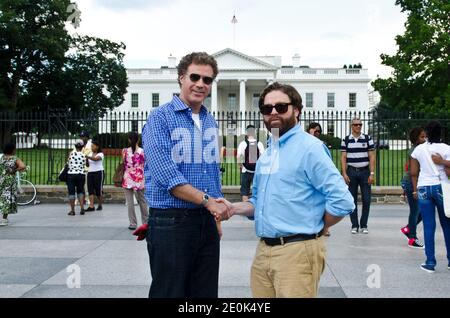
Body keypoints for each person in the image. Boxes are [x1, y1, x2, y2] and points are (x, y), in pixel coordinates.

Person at [215, 82, 355, 298]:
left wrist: (315, 225)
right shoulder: (269, 153)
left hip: (297, 251)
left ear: (297, 110)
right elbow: (257, 202)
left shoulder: (310, 148)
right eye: (266, 108)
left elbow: (343, 201)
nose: (273, 113)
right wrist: (233, 208)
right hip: (264, 251)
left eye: (281, 107)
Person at [141, 52, 227, 298]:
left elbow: (212, 174)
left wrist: (215, 217)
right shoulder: (160, 117)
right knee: (170, 293)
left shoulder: (210, 121)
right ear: (181, 78)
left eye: (207, 80)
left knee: (205, 294)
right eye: (195, 77)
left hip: (206, 220)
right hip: (171, 221)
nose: (201, 84)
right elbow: (165, 174)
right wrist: (208, 202)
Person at [410, 121, 450, 273]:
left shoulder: (419, 150)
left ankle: (430, 262)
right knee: (447, 225)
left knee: (428, 225)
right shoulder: (446, 148)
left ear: (426, 133)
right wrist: (442, 162)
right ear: (441, 133)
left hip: (424, 187)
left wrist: (414, 190)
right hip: (441, 187)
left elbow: (413, 172)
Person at [341, 117, 376, 234]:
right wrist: (344, 174)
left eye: (360, 124)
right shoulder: (346, 140)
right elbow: (343, 158)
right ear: (351, 126)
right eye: (356, 125)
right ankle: (354, 225)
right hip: (351, 171)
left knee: (366, 199)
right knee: (352, 200)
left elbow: (372, 157)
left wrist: (372, 173)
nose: (358, 126)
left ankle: (364, 225)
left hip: (365, 172)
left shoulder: (367, 139)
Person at [400, 127, 426, 248]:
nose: (424, 139)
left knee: (421, 211)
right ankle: (412, 238)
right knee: (415, 211)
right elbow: (412, 172)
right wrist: (415, 190)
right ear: (416, 139)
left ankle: (408, 229)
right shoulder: (414, 151)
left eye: (425, 136)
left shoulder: (421, 149)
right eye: (422, 137)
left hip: (416, 182)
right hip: (411, 183)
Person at [307, 122, 331, 237]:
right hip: (308, 177)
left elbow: (328, 160)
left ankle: (326, 227)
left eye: (318, 131)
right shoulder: (304, 143)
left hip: (320, 177)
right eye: (314, 131)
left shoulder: (322, 145)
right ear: (309, 130)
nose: (317, 133)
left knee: (323, 203)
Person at [122, 132, 148, 230]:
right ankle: (145, 222)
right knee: (142, 201)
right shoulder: (142, 151)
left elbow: (124, 163)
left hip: (127, 178)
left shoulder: (124, 151)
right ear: (138, 140)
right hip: (139, 178)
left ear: (129, 140)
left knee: (130, 202)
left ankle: (133, 223)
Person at [0, 143, 26, 226]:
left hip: (1, 180)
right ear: (12, 150)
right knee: (7, 198)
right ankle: (4, 219)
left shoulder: (1, 158)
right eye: (14, 149)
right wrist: (14, 170)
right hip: (9, 181)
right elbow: (23, 166)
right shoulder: (15, 158)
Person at [236, 124, 265, 201]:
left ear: (247, 133)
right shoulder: (259, 143)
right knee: (257, 191)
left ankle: (245, 210)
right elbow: (263, 158)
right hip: (256, 171)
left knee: (245, 192)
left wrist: (241, 166)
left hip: (245, 170)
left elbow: (238, 157)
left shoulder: (243, 143)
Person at [67, 139, 87, 216]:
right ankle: (82, 208)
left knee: (71, 192)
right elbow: (87, 165)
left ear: (75, 146)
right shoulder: (83, 155)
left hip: (71, 174)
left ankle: (72, 210)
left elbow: (68, 162)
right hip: (81, 175)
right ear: (82, 147)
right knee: (80, 191)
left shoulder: (70, 154)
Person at [85, 141, 104, 212]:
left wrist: (88, 157)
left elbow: (96, 159)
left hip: (98, 172)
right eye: (91, 146)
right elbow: (87, 165)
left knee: (98, 190)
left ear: (97, 146)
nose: (91, 147)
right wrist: (86, 160)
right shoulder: (90, 154)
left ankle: (100, 204)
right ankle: (91, 206)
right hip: (90, 173)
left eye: (93, 146)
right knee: (90, 189)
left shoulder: (101, 154)